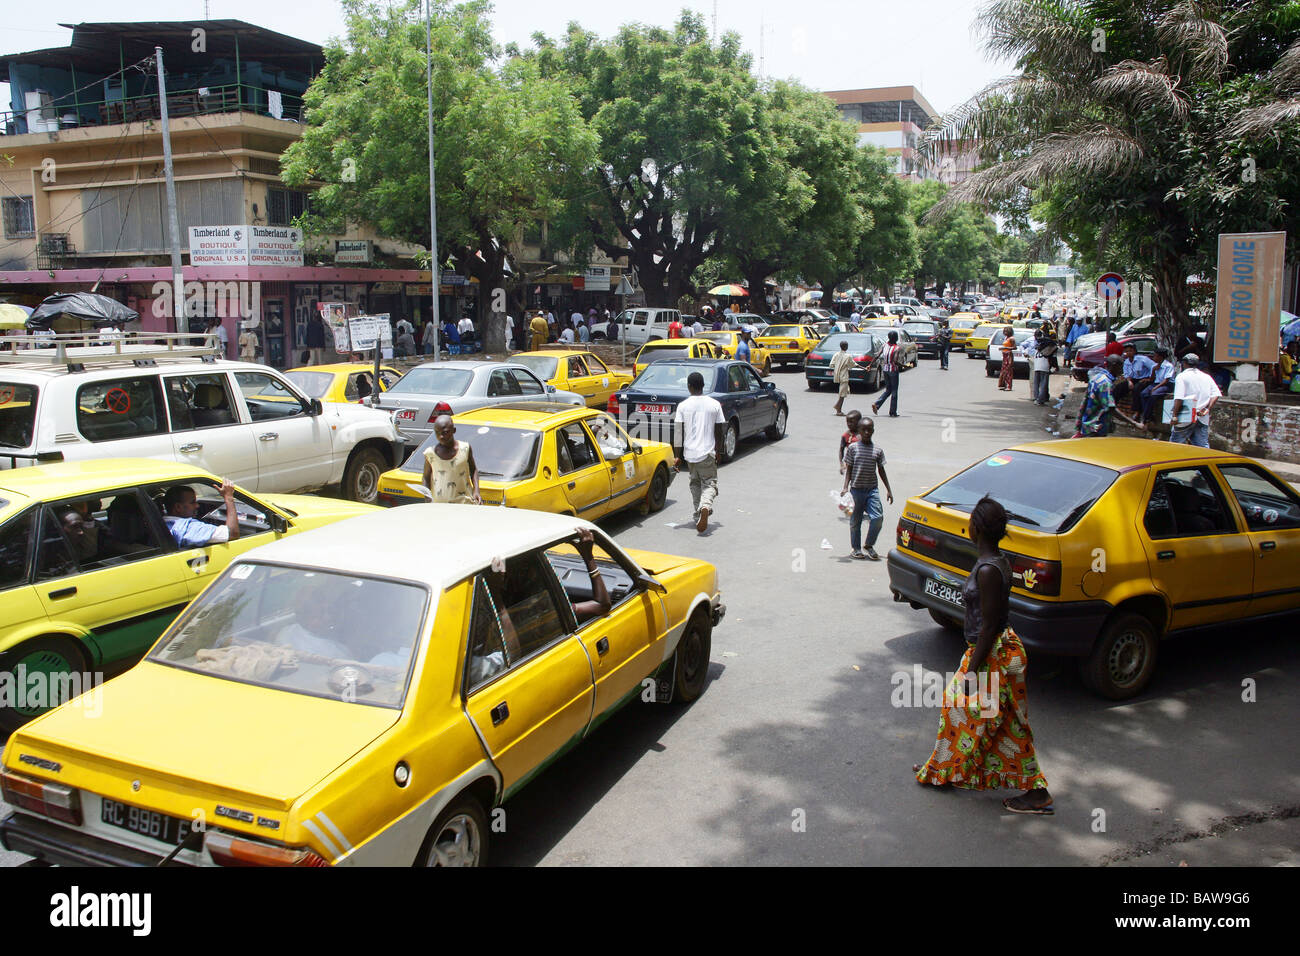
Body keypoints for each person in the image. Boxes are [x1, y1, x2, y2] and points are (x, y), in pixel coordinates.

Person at [915, 497, 1053, 814]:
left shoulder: (990, 569)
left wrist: (972, 671)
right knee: (978, 716)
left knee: (985, 716)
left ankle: (1037, 792)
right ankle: (944, 770)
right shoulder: (993, 561)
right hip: (992, 649)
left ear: (975, 529)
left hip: (995, 653)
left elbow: (990, 624)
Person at [672, 371, 726, 534]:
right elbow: (720, 430)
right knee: (709, 483)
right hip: (707, 453)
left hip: (690, 454)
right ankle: (705, 506)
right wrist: (719, 450)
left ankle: (698, 514)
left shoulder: (683, 405)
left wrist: (677, 456)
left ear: (689, 387)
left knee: (694, 483)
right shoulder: (714, 404)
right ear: (703, 386)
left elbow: (679, 432)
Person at [839, 417, 892, 561]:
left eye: (870, 430)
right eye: (864, 430)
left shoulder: (877, 450)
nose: (867, 432)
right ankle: (856, 549)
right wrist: (845, 487)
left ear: (873, 431)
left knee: (877, 518)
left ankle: (869, 545)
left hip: (871, 490)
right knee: (855, 521)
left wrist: (888, 489)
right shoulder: (853, 448)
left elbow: (881, 470)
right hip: (856, 489)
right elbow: (849, 469)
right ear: (859, 431)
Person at [1076, 354, 1143, 437]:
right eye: (1121, 366)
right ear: (1115, 366)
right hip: (1096, 429)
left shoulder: (1096, 377)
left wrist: (1079, 423)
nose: (1123, 370)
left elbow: (1084, 402)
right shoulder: (1105, 383)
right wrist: (1134, 423)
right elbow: (1111, 408)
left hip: (1088, 425)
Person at [421, 415, 481, 504]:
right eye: (437, 433)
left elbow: (474, 470)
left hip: (464, 503)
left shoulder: (465, 449)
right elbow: (426, 477)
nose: (441, 436)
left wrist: (476, 491)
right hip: (439, 505)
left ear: (454, 430)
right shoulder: (430, 453)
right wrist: (427, 497)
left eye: (445, 432)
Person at [163, 480, 241, 546]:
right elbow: (232, 533)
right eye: (192, 502)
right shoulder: (189, 528)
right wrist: (228, 497)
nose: (197, 506)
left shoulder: (162, 523)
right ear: (178, 507)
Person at [1168, 353, 1221, 447]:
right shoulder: (1206, 377)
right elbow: (1216, 394)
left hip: (1185, 417)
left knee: (1175, 445)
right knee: (1202, 446)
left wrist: (1174, 415)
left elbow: (1179, 398)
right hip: (1202, 417)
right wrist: (1207, 408)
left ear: (1184, 363)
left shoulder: (1182, 376)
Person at [1138, 347, 1176, 421]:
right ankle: (1148, 414)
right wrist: (1153, 370)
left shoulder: (1168, 366)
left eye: (1155, 356)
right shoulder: (1154, 366)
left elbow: (1166, 380)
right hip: (1156, 383)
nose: (1153, 358)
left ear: (1160, 357)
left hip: (1166, 384)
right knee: (1143, 393)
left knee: (1154, 394)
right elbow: (1151, 379)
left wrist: (1155, 388)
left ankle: (1146, 416)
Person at [1115, 342, 1155, 409]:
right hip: (1133, 379)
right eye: (1127, 351)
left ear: (1134, 351)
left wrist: (1150, 378)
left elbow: (1153, 367)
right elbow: (1126, 373)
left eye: (1130, 351)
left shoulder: (1142, 359)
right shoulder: (1126, 362)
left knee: (1137, 389)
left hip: (1144, 379)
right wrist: (1129, 381)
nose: (1129, 353)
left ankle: (1137, 410)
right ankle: (1114, 404)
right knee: (1120, 387)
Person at [871, 332, 903, 417]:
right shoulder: (897, 348)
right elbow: (895, 361)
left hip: (885, 369)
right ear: (896, 338)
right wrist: (903, 365)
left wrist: (870, 365)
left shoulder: (884, 345)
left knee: (888, 390)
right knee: (894, 391)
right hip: (893, 370)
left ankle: (877, 404)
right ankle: (893, 412)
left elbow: (877, 355)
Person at [830, 339, 856, 415]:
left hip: (837, 375)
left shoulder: (836, 354)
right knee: (842, 393)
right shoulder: (848, 356)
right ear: (846, 347)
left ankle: (838, 407)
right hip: (844, 376)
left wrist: (838, 366)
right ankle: (838, 409)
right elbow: (853, 364)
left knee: (844, 391)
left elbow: (831, 365)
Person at [838, 409, 862, 475]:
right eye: (847, 422)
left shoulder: (863, 434)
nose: (849, 424)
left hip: (862, 463)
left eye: (851, 422)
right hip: (850, 464)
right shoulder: (845, 436)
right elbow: (841, 450)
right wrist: (841, 464)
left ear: (859, 422)